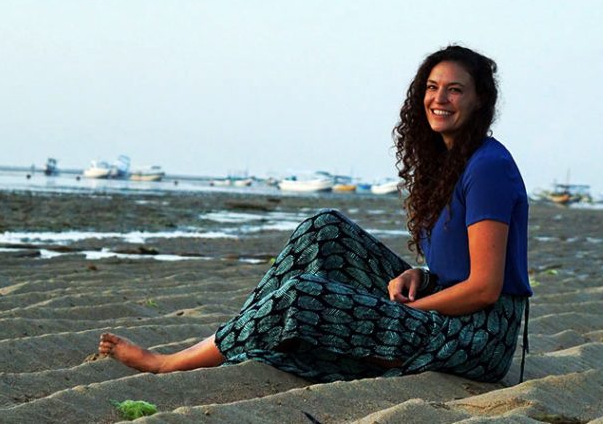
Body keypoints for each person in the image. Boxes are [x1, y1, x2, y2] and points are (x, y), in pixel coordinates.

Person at [98, 45, 532, 383]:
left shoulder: (488, 167)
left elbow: (484, 288)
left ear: (479, 102)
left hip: (477, 336)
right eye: (432, 87)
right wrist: (420, 273)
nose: (440, 98)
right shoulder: (447, 162)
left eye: (455, 89)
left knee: (306, 295)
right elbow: (460, 260)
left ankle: (170, 364)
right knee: (324, 229)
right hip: (445, 305)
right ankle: (243, 333)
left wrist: (417, 312)